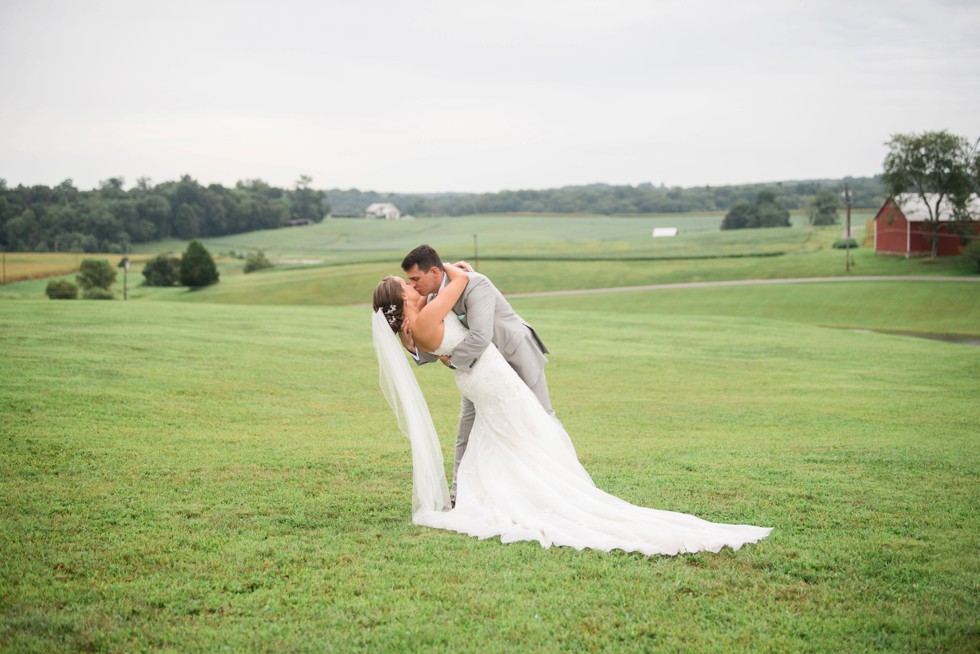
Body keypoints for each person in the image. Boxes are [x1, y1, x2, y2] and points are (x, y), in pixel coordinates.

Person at [371, 261, 772, 556]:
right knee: (526, 426)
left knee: (498, 433)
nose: (411, 285)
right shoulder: (426, 316)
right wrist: (459, 272)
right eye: (405, 285)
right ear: (403, 298)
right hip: (488, 375)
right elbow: (459, 288)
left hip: (483, 375)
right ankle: (546, 485)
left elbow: (442, 346)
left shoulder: (414, 329)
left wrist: (445, 340)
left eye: (410, 279)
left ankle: (475, 492)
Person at [398, 245, 554, 507]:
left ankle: (553, 485)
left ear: (434, 271)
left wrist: (452, 363)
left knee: (541, 419)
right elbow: (437, 341)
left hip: (514, 354)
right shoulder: (436, 294)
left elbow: (481, 335)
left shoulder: (475, 284)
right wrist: (411, 346)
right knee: (466, 432)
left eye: (415, 279)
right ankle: (459, 494)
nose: (412, 286)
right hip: (479, 372)